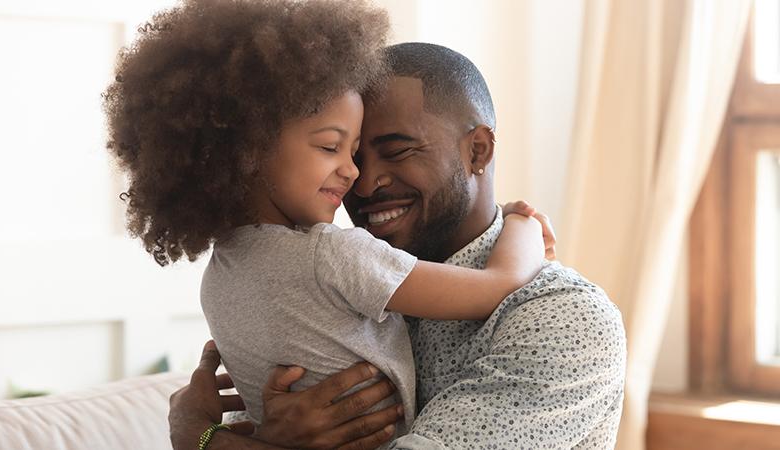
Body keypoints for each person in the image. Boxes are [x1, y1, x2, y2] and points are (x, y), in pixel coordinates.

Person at [104, 1, 556, 448]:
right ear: (249, 150)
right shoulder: (335, 255)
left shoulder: (218, 279)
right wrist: (523, 223)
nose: (356, 174)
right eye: (331, 148)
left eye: (356, 151)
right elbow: (502, 283)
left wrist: (200, 439)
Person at [168, 43, 626, 449]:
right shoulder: (318, 281)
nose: (362, 182)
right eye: (346, 154)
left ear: (478, 151)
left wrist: (197, 436)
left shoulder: (565, 319)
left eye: (398, 150)